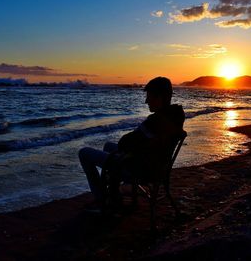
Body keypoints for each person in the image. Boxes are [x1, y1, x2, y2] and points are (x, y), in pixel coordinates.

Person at [78, 77, 185, 209]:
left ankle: (102, 199)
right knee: (108, 146)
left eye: (149, 96)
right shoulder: (175, 115)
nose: (146, 101)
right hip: (157, 164)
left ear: (159, 97)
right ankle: (113, 195)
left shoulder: (155, 122)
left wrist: (132, 141)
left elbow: (125, 142)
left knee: (84, 153)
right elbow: (136, 142)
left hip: (141, 169)